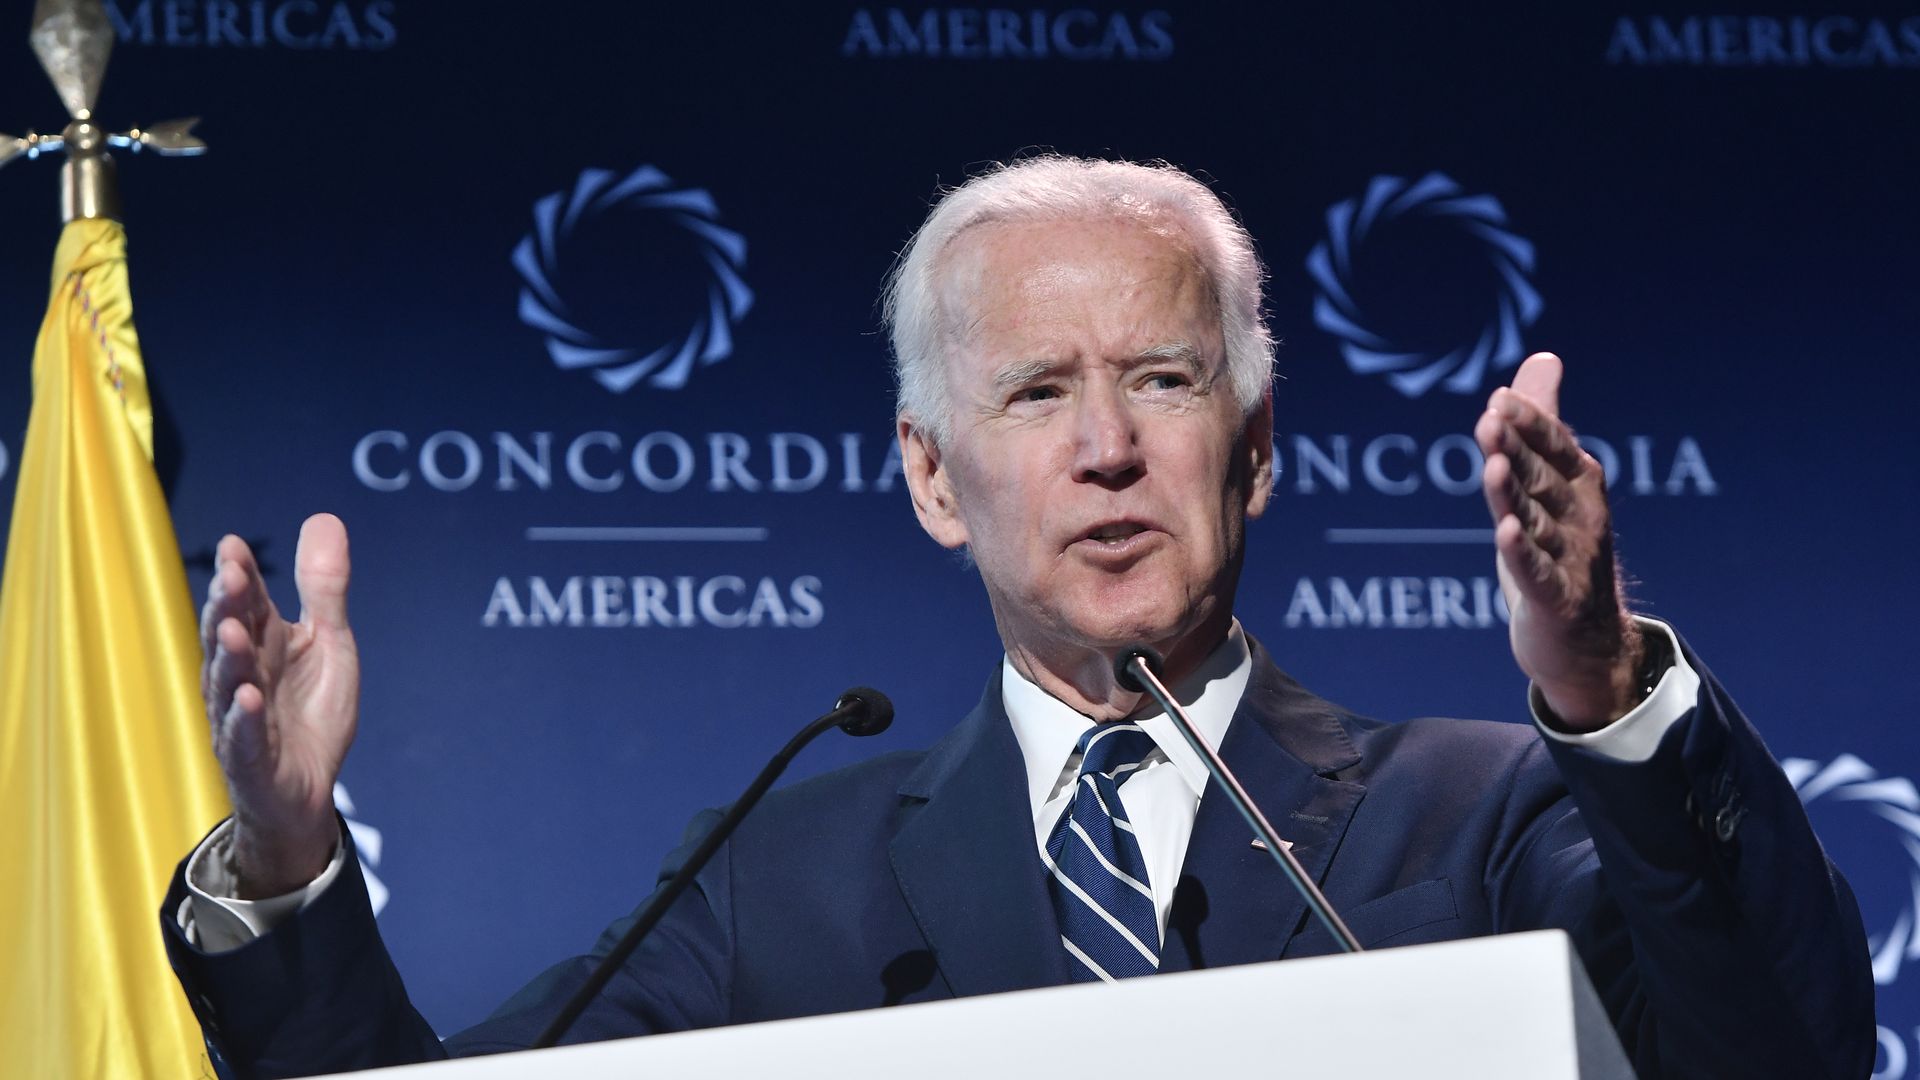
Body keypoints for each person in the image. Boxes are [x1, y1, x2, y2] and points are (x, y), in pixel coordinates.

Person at [162, 156, 1874, 1078]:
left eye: (1164, 378)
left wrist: (1608, 695)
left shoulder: (1486, 812)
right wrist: (292, 858)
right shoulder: (778, 883)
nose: (1108, 445)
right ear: (932, 476)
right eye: (1038, 391)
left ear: (1256, 448)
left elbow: (1782, 1059)